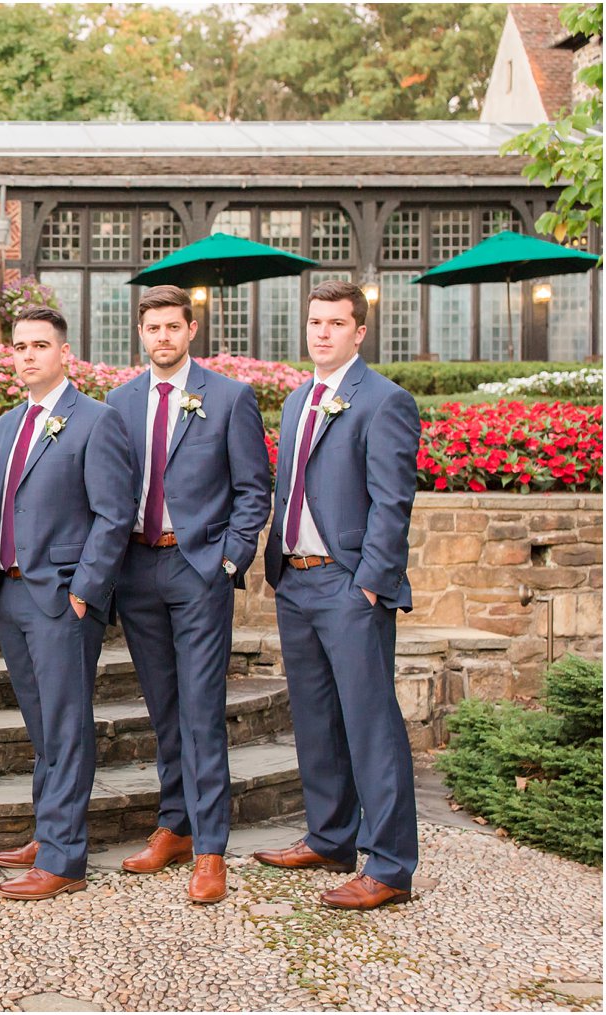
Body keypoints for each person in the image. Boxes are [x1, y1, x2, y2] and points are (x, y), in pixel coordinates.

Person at [253, 279, 420, 910]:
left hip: (350, 585)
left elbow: (391, 503)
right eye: (314, 322)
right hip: (295, 579)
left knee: (372, 724)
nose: (321, 332)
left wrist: (371, 585)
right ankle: (329, 837)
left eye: (334, 323)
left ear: (359, 331)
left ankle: (390, 866)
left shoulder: (384, 401)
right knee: (316, 718)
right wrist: (280, 568)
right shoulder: (299, 400)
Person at [105, 285, 271, 905]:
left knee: (201, 709)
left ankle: (210, 849)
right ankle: (174, 825)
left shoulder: (229, 397)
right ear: (141, 333)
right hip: (138, 570)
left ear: (190, 330)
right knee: (163, 706)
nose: (163, 338)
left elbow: (254, 489)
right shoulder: (117, 403)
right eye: (153, 329)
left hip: (198, 567)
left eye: (173, 327)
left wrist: (228, 560)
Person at [0, 306, 134, 900]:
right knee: (43, 726)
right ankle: (49, 831)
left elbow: (113, 514)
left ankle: (65, 858)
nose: (27, 355)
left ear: (62, 353)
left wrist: (83, 592)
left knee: (67, 726)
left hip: (62, 597)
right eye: (19, 346)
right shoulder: (6, 425)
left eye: (39, 345)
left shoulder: (96, 421)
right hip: (11, 592)